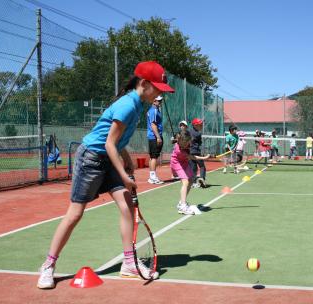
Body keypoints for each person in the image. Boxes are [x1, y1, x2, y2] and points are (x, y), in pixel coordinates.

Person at [36, 61, 174, 289]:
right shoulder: (128, 105)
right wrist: (124, 173)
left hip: (108, 159)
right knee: (75, 213)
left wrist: (127, 160)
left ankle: (129, 263)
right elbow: (109, 143)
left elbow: (118, 142)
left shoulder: (141, 104)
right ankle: (48, 265)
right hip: (91, 158)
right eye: (158, 88)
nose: (160, 93)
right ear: (144, 84)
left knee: (127, 205)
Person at [170, 130, 210, 215]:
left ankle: (181, 202)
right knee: (185, 182)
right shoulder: (179, 150)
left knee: (191, 180)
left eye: (187, 142)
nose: (186, 144)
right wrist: (204, 158)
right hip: (177, 163)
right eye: (184, 143)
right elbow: (192, 157)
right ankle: (183, 207)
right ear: (180, 140)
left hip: (184, 162)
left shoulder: (186, 141)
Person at [147, 95, 164, 184]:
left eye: (160, 101)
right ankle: (153, 177)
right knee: (154, 157)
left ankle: (151, 176)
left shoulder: (156, 110)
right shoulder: (153, 111)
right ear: (154, 101)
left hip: (153, 137)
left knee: (153, 157)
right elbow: (153, 125)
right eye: (158, 101)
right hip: (154, 137)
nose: (160, 102)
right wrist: (158, 137)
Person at [189, 118, 208, 188]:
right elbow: (199, 143)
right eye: (200, 125)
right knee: (202, 166)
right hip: (196, 152)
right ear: (195, 125)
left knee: (193, 168)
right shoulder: (198, 134)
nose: (201, 126)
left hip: (190, 153)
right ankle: (202, 178)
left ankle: (193, 182)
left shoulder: (189, 132)